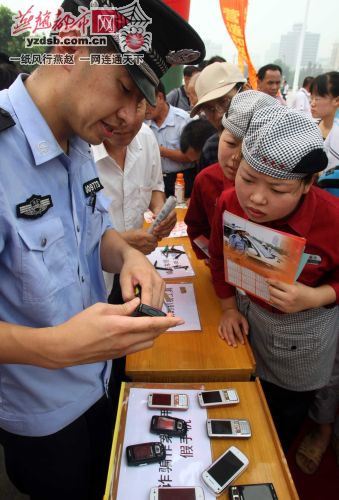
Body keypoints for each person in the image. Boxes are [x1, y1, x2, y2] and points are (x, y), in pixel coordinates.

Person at [0, 0, 205, 498]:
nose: (131, 116)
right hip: (43, 412)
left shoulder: (75, 142)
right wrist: (55, 348)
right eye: (125, 88)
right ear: (69, 47)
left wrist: (131, 256)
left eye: (142, 100)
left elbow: (95, 236)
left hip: (104, 379)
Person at [209, 105, 339, 451]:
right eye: (247, 179)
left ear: (308, 184)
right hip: (246, 315)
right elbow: (219, 259)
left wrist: (316, 296)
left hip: (303, 332)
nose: (256, 198)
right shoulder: (228, 202)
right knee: (239, 400)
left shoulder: (333, 219)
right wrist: (227, 308)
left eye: (278, 190)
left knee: (284, 413)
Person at [93, 99, 176, 300]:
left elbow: (155, 185)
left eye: (136, 105)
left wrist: (160, 210)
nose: (126, 120)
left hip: (136, 266)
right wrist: (120, 244)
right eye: (115, 104)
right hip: (95, 278)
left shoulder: (146, 137)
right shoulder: (79, 151)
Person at [185, 90, 278, 260]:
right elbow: (196, 227)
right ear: (219, 136)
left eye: (250, 147)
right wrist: (211, 256)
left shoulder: (277, 189)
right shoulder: (206, 180)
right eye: (230, 143)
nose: (237, 157)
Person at [190, 62, 246, 171]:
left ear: (246, 90)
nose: (220, 114)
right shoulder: (211, 149)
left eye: (225, 101)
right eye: (209, 108)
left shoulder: (275, 136)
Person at [145, 81, 194, 197]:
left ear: (160, 97)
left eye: (147, 103)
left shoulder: (183, 120)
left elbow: (191, 156)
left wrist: (161, 151)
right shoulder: (142, 124)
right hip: (155, 182)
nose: (144, 109)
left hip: (182, 179)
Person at [310, 71, 339, 140]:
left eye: (317, 98)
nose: (312, 104)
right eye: (311, 98)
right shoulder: (312, 127)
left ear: (337, 101)